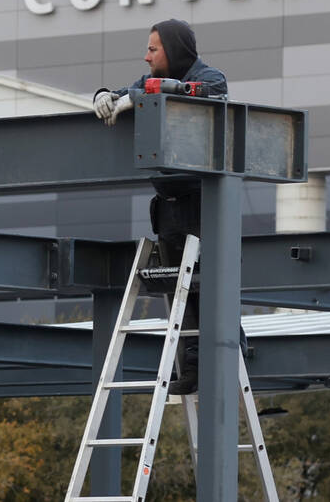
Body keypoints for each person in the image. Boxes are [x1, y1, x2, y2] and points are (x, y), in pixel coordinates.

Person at [92, 19, 227, 395]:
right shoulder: (147, 80)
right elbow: (126, 92)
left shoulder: (211, 79)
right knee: (178, 291)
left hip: (201, 204)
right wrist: (105, 95)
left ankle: (227, 356)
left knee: (208, 288)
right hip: (167, 207)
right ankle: (192, 368)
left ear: (172, 49)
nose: (146, 56)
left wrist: (146, 94)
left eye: (153, 49)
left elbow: (193, 93)